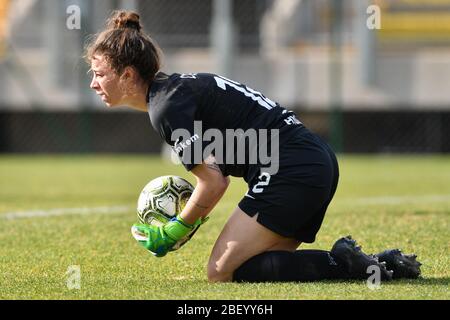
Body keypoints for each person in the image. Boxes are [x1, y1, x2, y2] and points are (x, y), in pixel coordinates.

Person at [85, 10, 421, 283]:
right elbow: (219, 170)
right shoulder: (176, 90)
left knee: (220, 272)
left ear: (128, 75)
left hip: (288, 169)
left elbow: (214, 181)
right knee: (252, 267)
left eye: (99, 73)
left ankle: (344, 262)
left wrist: (175, 229)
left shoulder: (166, 107)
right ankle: (376, 264)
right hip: (312, 160)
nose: (93, 82)